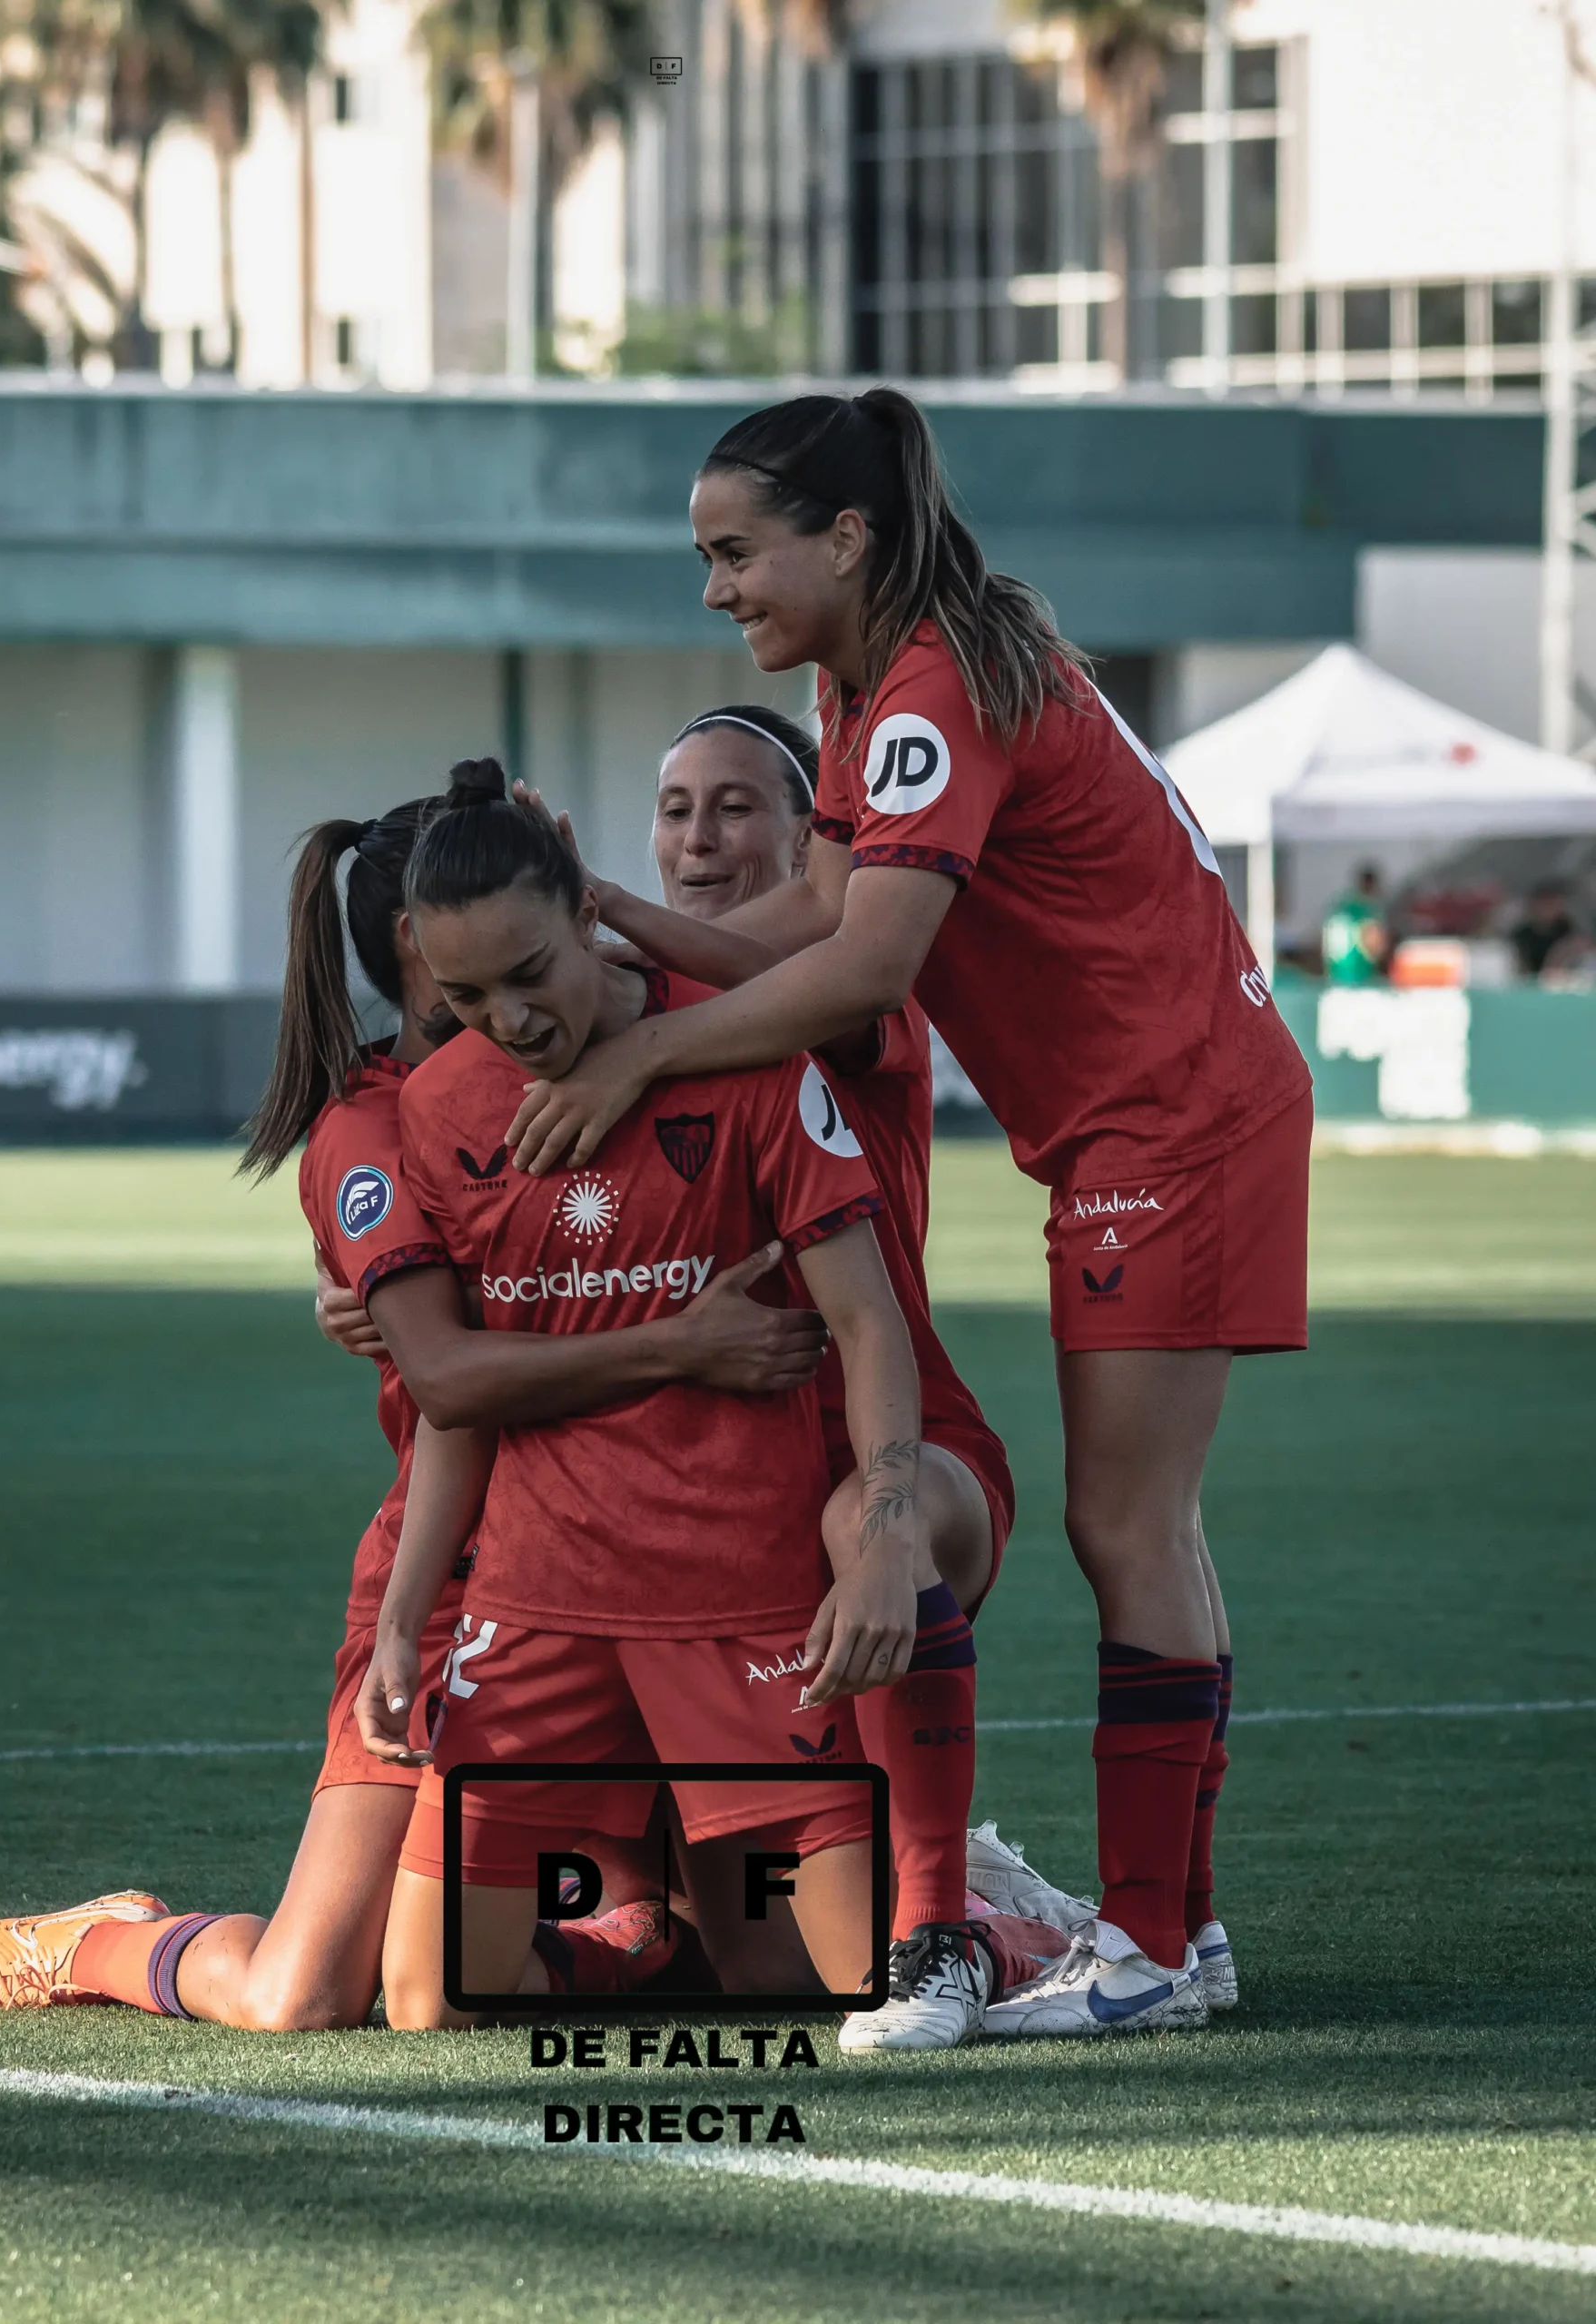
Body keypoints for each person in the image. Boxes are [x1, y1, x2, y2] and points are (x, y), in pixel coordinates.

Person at [501, 389, 1315, 2035]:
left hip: (1169, 1117)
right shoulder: (875, 670)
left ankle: (1146, 1948)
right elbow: (814, 908)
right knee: (1147, 1528)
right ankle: (1176, 1937)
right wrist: (595, 905)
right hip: (1144, 1117)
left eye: (735, 552)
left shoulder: (930, 683)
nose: (716, 587)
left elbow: (862, 970)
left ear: (845, 537)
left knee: (1126, 1528)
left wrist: (639, 1040)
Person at [0, 801, 827, 2026]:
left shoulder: (615, 1036)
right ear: (416, 942)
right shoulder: (378, 1124)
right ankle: (104, 1946)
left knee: (776, 1965)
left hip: (654, 1554)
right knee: (311, 1994)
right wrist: (684, 1344)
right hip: (460, 1574)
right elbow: (452, 1383)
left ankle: (761, 1915)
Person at [350, 760, 1034, 2046]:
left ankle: (1000, 1930)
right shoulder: (440, 1111)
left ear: (584, 917)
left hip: (736, 1596)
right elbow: (462, 1403)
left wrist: (887, 1536)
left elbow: (865, 1317)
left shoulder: (744, 1050)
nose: (511, 1018)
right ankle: (646, 1926)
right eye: (466, 995)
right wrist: (404, 1623)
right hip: (538, 1607)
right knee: (430, 2003)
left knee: (819, 1994)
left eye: (532, 972)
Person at [524, 700, 1018, 2046]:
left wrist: (605, 907)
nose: (700, 835)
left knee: (862, 1528)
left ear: (815, 841)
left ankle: (946, 1931)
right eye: (676, 809)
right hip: (696, 1487)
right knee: (642, 1960)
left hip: (890, 1442)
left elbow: (772, 984)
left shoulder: (849, 992)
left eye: (737, 805)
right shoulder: (619, 1017)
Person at [1322, 865, 1388, 985]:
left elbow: (1326, 943)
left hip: (1335, 977)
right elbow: (1373, 941)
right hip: (1361, 978)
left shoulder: (1340, 907)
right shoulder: (1367, 912)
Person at [1510, 881, 1587, 980]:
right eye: (1544, 903)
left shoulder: (1571, 931)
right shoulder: (1521, 935)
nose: (1547, 909)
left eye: (1552, 903)